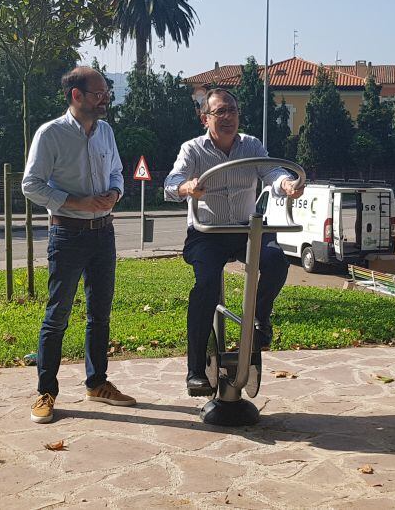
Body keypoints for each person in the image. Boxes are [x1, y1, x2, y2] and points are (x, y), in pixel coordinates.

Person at [164, 88, 303, 396]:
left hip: (245, 229)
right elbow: (171, 184)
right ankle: (196, 369)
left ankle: (258, 319)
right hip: (207, 232)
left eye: (232, 111)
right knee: (206, 286)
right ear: (205, 119)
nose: (228, 118)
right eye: (220, 112)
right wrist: (188, 186)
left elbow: (273, 172)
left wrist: (287, 184)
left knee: (276, 260)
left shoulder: (251, 145)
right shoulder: (193, 150)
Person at [22, 66, 135, 424]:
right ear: (77, 95)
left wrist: (115, 192)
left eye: (106, 92)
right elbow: (31, 185)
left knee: (100, 315)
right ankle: (45, 392)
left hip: (104, 234)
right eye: (99, 93)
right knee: (57, 317)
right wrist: (76, 201)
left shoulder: (106, 132)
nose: (105, 99)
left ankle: (97, 383)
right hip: (67, 234)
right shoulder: (50, 134)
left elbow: (116, 171)